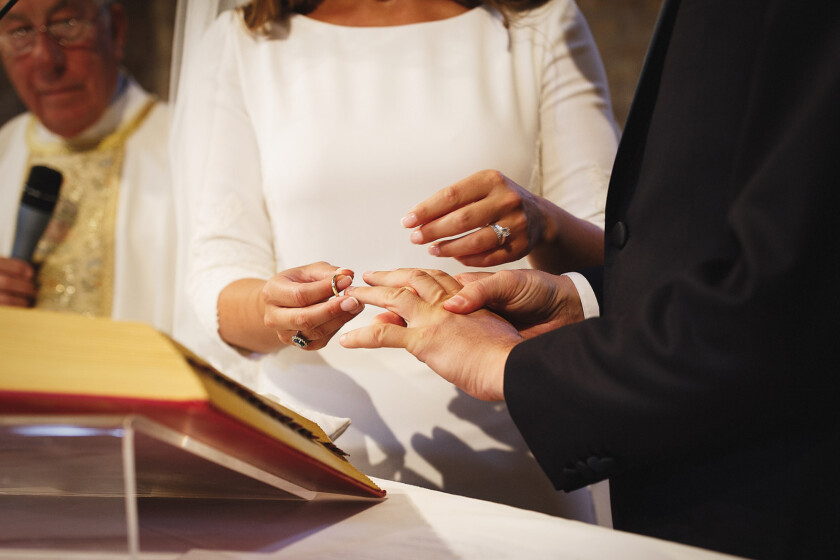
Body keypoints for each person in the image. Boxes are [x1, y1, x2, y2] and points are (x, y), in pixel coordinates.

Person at [338, 0, 840, 557]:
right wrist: (582, 298)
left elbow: (789, 297)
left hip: (763, 498)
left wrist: (505, 363)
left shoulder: (542, 21)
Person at [171, 0, 619, 518]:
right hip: (316, 458)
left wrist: (544, 222)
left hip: (513, 440)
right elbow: (217, 268)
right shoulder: (246, 40)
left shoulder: (537, 23)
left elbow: (621, 258)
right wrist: (280, 314)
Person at [0, 0, 175, 334]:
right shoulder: (4, 150)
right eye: (19, 31)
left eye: (66, 24)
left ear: (116, 28)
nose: (45, 59)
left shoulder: (182, 143)